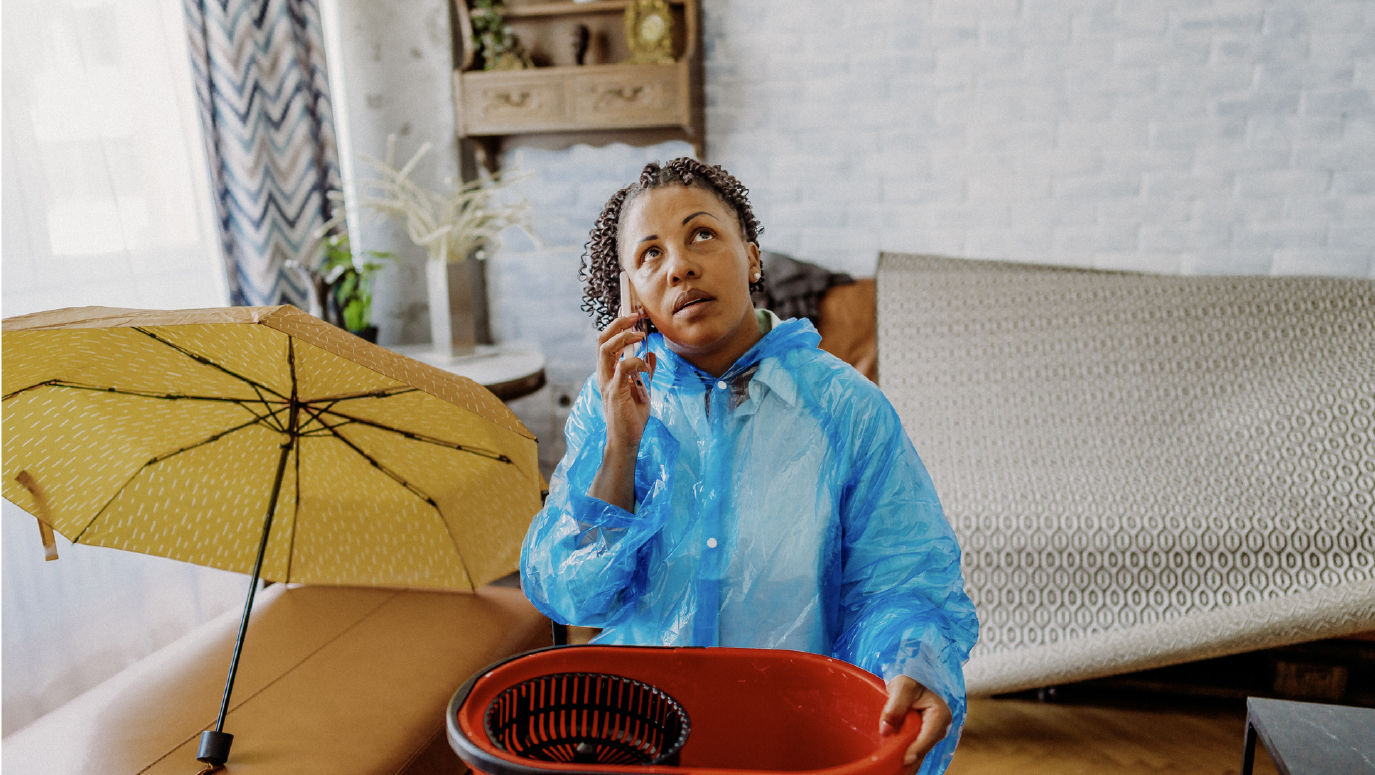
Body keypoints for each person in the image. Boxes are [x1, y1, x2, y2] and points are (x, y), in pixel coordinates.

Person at [520, 158, 978, 774]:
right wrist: (619, 446)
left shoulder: (845, 408)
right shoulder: (609, 409)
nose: (679, 264)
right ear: (630, 295)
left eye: (701, 234)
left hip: (790, 741)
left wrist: (909, 662)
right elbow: (572, 595)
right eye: (650, 255)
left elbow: (901, 581)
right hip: (643, 738)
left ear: (753, 256)